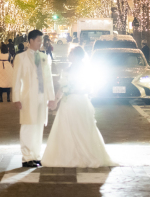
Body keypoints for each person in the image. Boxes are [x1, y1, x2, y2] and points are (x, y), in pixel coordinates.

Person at [41, 46, 115, 168]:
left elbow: (90, 88)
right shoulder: (67, 69)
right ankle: (67, 156)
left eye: (71, 53)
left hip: (80, 101)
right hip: (67, 103)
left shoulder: (86, 70)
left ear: (77, 56)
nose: (69, 55)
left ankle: (85, 155)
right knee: (65, 127)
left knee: (81, 128)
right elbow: (62, 88)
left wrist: (76, 90)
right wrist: (56, 100)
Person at [12, 29, 56, 168]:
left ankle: (36, 155)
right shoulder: (21, 57)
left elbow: (48, 79)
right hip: (27, 97)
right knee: (27, 126)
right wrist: (16, 98)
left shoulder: (43, 57)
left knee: (39, 126)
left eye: (41, 41)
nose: (40, 43)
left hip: (42, 97)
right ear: (31, 41)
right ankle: (27, 157)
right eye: (38, 40)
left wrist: (51, 97)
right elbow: (16, 79)